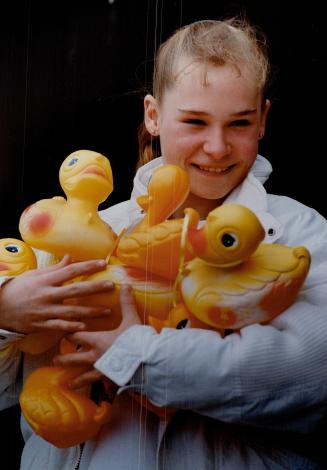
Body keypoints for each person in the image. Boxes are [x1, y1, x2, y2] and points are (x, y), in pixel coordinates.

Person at [1, 17, 327, 470]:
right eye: (194, 121)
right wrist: (7, 315)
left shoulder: (299, 232)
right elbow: (8, 388)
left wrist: (135, 353)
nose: (217, 147)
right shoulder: (95, 232)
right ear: (153, 115)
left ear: (263, 120)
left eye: (239, 123)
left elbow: (312, 376)